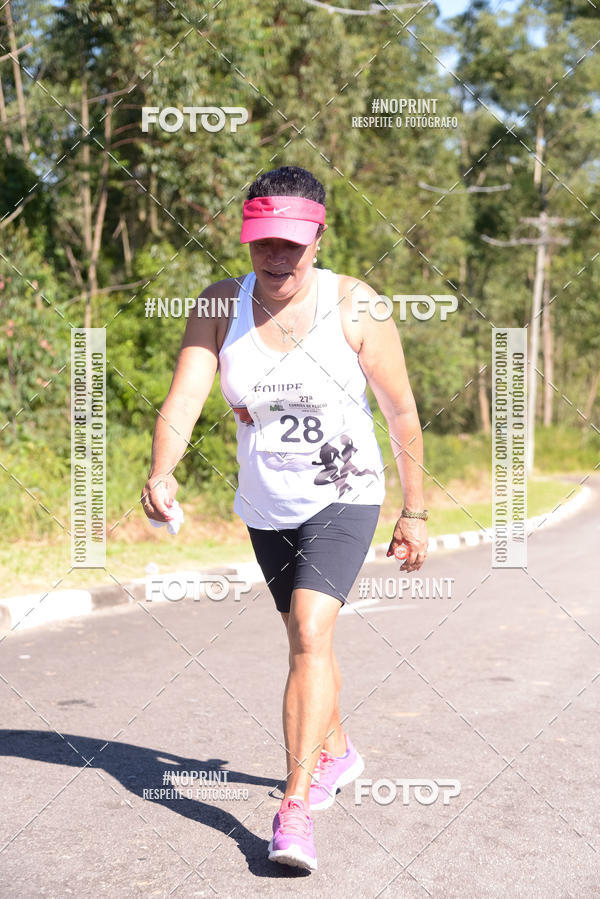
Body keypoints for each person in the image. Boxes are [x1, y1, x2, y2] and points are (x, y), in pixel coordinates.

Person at [141, 165, 428, 872]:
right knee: (307, 641)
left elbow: (400, 411)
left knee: (308, 628)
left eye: (291, 244)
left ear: (319, 238)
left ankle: (293, 809)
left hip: (345, 493)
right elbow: (185, 398)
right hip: (267, 503)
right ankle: (339, 749)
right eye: (262, 240)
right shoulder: (219, 304)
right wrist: (161, 469)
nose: (276, 256)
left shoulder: (356, 306)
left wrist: (414, 509)